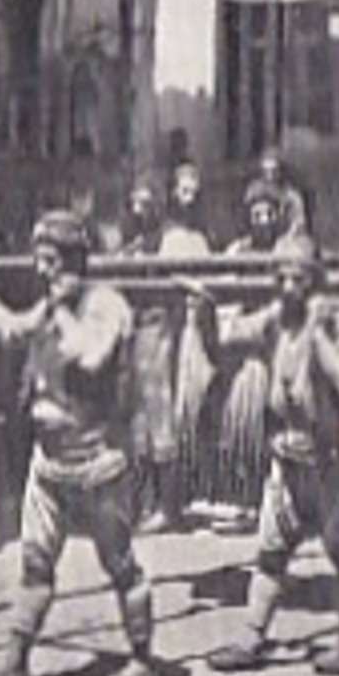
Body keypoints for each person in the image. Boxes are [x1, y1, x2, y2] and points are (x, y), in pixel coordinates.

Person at [0, 211, 162, 676]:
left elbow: (89, 356)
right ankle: (15, 661)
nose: (41, 271)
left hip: (98, 463)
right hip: (48, 465)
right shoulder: (51, 304)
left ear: (73, 262)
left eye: (50, 262)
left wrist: (62, 309)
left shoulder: (107, 306)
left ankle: (143, 659)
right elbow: (11, 331)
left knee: (120, 564)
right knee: (35, 565)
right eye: (38, 260)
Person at [194, 238, 339, 676]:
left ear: (316, 280)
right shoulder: (277, 321)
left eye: (299, 278)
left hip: (330, 462)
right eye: (281, 278)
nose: (288, 287)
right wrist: (202, 312)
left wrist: (317, 337)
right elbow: (224, 342)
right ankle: (251, 637)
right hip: (287, 460)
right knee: (270, 553)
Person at [119, 178, 186, 533]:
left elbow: (179, 283)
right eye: (135, 204)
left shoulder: (172, 241)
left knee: (161, 416)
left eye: (145, 204)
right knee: (138, 420)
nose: (138, 211)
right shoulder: (134, 246)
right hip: (137, 331)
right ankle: (140, 503)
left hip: (162, 329)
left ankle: (168, 506)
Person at [256, 147, 311, 239]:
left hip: (286, 239)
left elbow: (299, 222)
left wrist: (288, 237)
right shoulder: (254, 192)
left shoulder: (292, 196)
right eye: (266, 171)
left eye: (274, 171)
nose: (270, 175)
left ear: (281, 171)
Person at [227, 180, 292, 256]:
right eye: (257, 215)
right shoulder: (237, 250)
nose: (264, 221)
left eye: (269, 214)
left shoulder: (289, 248)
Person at [164, 161, 211, 257]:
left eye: (194, 193)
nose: (190, 199)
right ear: (175, 192)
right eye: (185, 192)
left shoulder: (201, 236)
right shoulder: (166, 234)